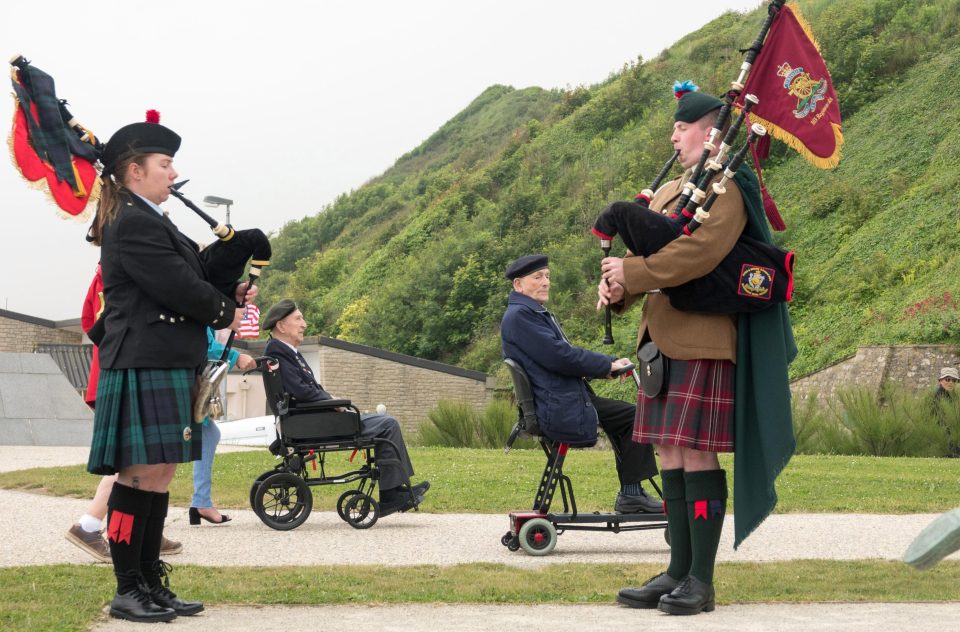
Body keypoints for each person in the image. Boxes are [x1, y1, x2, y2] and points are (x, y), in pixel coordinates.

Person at [599, 86, 795, 615]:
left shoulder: (724, 187)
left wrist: (634, 271)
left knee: (694, 453)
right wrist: (621, 289)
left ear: (709, 131)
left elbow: (699, 253)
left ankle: (700, 581)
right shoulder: (671, 193)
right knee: (668, 454)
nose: (673, 136)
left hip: (702, 337)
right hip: (657, 340)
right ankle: (676, 569)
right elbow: (652, 254)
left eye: (681, 128)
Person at [86, 113, 249, 623]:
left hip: (165, 359)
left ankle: (151, 580)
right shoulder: (131, 221)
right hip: (142, 360)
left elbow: (192, 275)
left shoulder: (150, 217)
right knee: (137, 478)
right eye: (165, 163)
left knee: (157, 476)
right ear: (135, 170)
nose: (173, 173)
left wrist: (231, 288)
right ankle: (126, 587)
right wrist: (226, 311)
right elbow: (176, 286)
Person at [499, 254, 662, 513]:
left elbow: (563, 356)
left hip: (561, 399)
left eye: (548, 276)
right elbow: (560, 357)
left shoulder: (529, 314)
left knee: (626, 417)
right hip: (559, 405)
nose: (545, 282)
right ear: (518, 285)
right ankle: (632, 494)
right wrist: (606, 365)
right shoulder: (521, 317)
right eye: (537, 277)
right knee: (633, 417)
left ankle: (632, 493)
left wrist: (608, 365)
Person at [262, 299, 429, 514]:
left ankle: (395, 490)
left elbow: (304, 389)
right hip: (313, 421)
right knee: (387, 424)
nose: (304, 324)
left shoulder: (283, 352)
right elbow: (302, 391)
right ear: (281, 326)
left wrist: (331, 400)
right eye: (298, 319)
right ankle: (391, 494)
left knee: (383, 423)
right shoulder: (279, 353)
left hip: (312, 418)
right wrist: (333, 401)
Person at [67, 264, 181, 563]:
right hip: (120, 369)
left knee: (143, 460)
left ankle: (146, 532)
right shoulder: (119, 272)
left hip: (113, 368)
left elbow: (89, 319)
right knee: (132, 462)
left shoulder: (110, 272)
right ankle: (89, 526)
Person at [190, 328, 256, 524]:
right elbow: (205, 346)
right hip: (183, 380)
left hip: (186, 378)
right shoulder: (205, 311)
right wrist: (236, 356)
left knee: (210, 433)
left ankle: (201, 502)